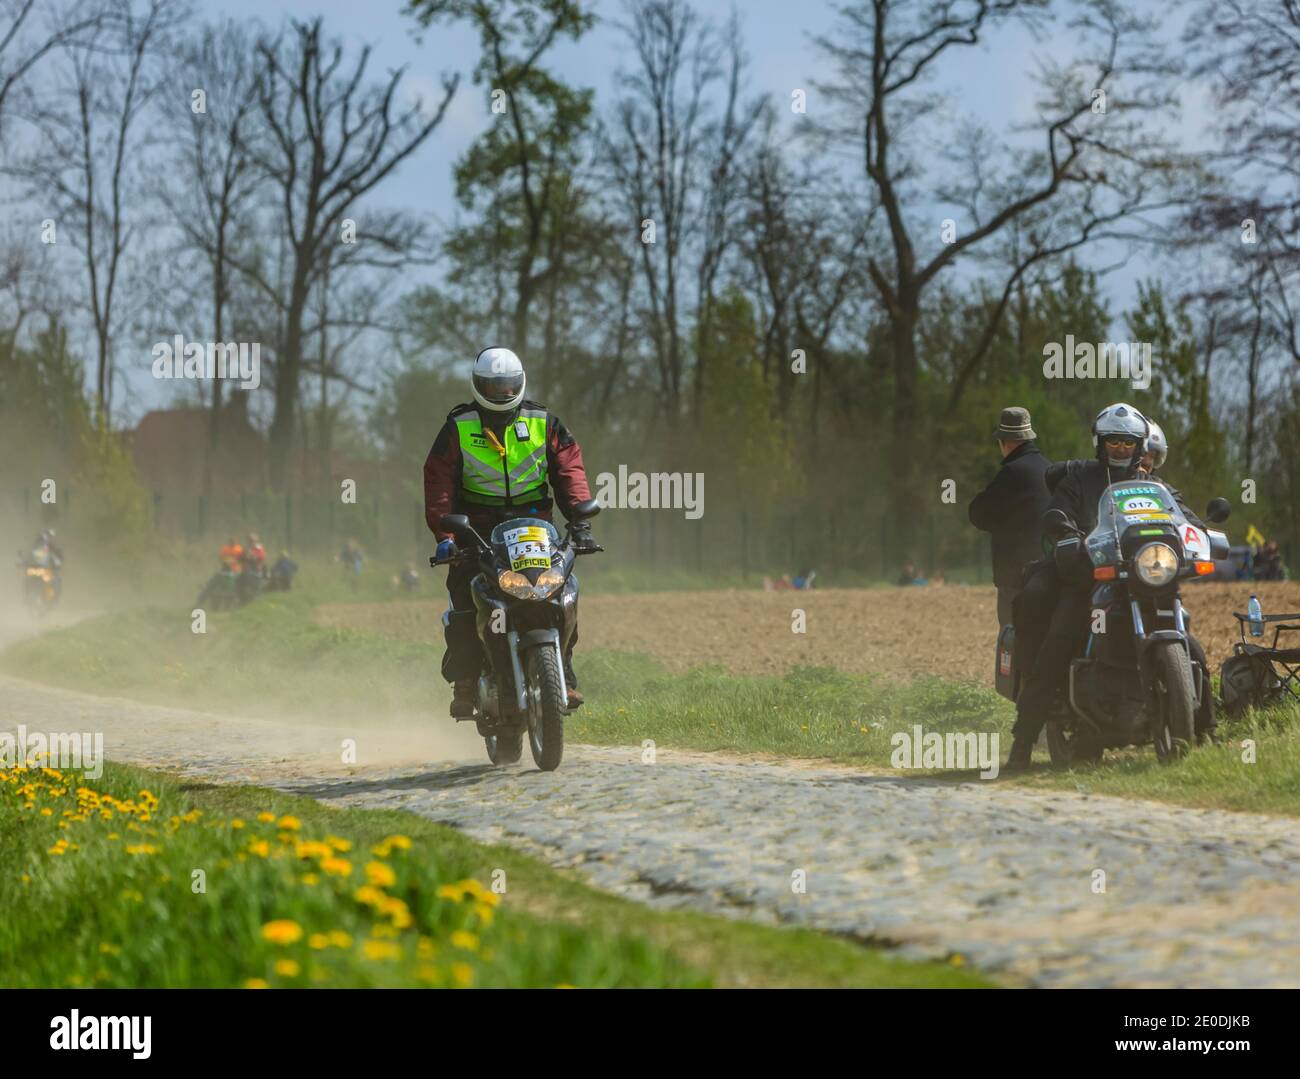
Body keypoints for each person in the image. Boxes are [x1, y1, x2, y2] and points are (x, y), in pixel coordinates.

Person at [424, 346, 597, 719]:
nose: (502, 393)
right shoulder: (458, 426)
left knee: (561, 592)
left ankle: (562, 671)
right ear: (477, 385)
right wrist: (446, 537)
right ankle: (466, 683)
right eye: (493, 385)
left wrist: (580, 523)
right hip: (477, 532)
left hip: (536, 528)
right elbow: (438, 482)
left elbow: (569, 471)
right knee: (466, 600)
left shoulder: (543, 421)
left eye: (508, 386)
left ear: (519, 384)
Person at [968, 407, 1051, 629]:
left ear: (1004, 442)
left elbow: (978, 514)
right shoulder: (1049, 468)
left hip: (1016, 576)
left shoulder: (1012, 472)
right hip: (1049, 573)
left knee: (1012, 635)